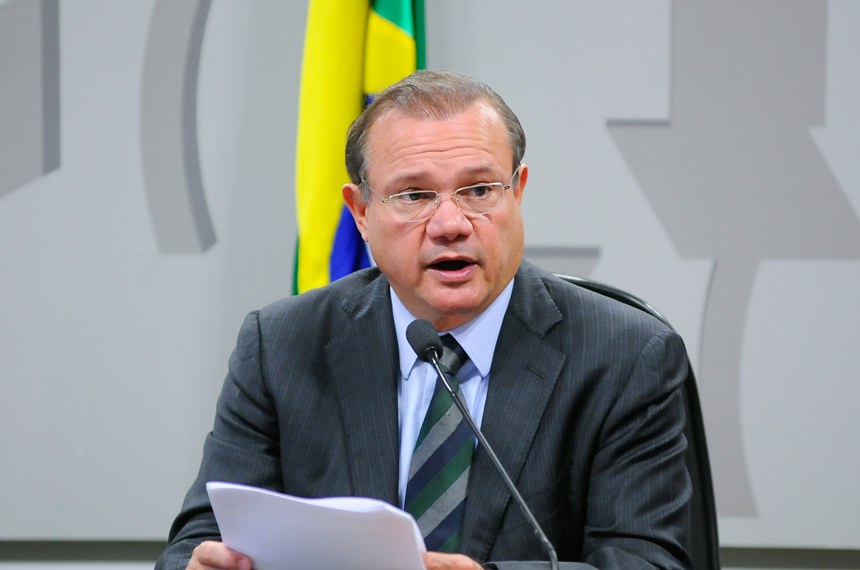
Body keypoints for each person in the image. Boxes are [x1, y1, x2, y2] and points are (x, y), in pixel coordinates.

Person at [156, 69, 691, 570]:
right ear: (361, 213)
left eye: (479, 190)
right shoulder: (281, 346)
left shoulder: (625, 356)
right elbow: (199, 538)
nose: (451, 224)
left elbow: (647, 562)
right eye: (414, 195)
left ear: (518, 192)